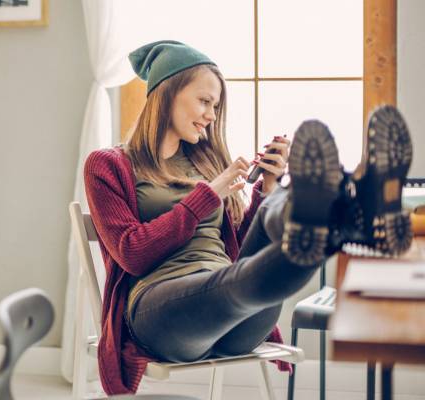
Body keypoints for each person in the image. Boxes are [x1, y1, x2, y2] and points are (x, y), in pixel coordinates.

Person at [83, 40, 414, 395]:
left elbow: (241, 248)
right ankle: (341, 218)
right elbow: (132, 253)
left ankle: (340, 211)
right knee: (240, 282)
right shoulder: (108, 165)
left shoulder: (204, 161)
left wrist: (267, 187)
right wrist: (207, 195)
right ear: (166, 93)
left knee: (268, 229)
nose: (211, 115)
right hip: (161, 314)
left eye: (215, 106)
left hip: (235, 312)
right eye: (205, 101)